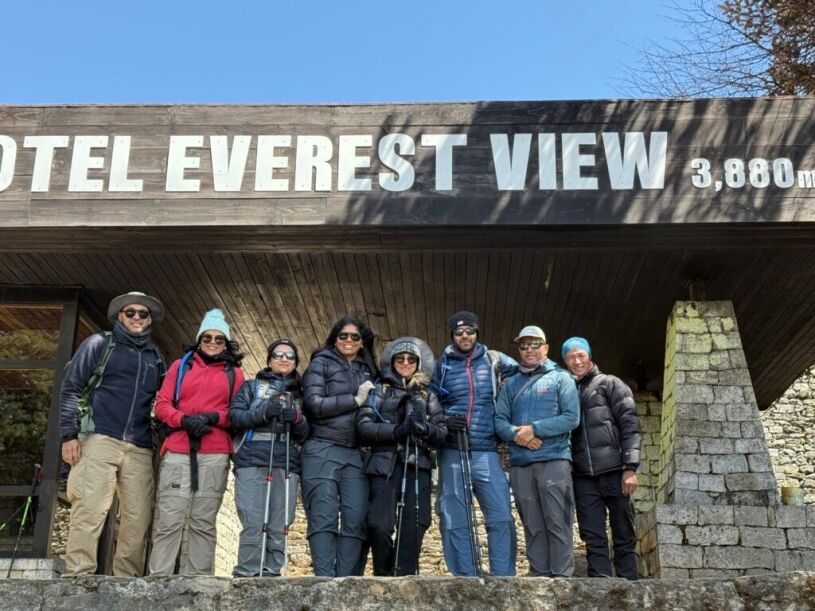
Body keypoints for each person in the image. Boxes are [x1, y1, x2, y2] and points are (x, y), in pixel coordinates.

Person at [59, 291, 166, 576]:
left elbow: (163, 401)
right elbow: (70, 389)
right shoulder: (99, 344)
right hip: (98, 438)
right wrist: (69, 435)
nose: (136, 318)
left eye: (143, 314)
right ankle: (78, 577)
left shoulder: (156, 357)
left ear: (149, 320)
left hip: (140, 446)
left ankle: (125, 582)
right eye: (130, 312)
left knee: (138, 518)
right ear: (120, 315)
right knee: (90, 509)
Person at [148, 309, 245, 576]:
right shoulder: (180, 367)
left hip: (214, 452)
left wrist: (215, 417)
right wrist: (184, 420)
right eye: (207, 338)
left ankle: (198, 582)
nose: (213, 343)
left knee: (203, 521)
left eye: (219, 339)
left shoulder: (234, 373)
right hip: (179, 449)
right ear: (199, 339)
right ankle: (159, 579)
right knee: (170, 519)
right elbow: (162, 406)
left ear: (226, 343)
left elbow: (238, 412)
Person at [430, 310, 518, 577]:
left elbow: (527, 372)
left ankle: (503, 576)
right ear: (452, 335)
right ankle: (465, 578)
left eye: (469, 330)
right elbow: (428, 402)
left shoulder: (495, 359)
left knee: (501, 514)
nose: (464, 335)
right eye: (458, 332)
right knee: (455, 516)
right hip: (452, 448)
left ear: (478, 333)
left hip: (487, 449)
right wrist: (444, 420)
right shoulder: (441, 365)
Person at [356, 337, 447, 575]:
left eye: (411, 359)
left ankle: (403, 574)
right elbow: (364, 426)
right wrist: (396, 431)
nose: (405, 362)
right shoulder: (379, 390)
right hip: (384, 465)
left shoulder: (428, 396)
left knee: (416, 523)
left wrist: (425, 429)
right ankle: (383, 575)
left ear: (418, 363)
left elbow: (441, 431)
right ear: (392, 362)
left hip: (418, 464)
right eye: (400, 358)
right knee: (379, 523)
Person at [494, 325, 580, 577]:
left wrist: (534, 429)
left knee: (558, 522)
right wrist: (521, 437)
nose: (529, 350)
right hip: (521, 462)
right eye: (523, 345)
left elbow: (571, 418)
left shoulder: (561, 378)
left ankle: (562, 579)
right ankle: (539, 580)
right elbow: (499, 421)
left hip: (554, 460)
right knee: (532, 525)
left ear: (546, 348)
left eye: (534, 344)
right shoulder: (510, 384)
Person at [301, 315, 379, 577]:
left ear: (362, 342)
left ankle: (345, 584)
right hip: (321, 447)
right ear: (334, 338)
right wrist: (355, 400)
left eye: (354, 337)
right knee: (323, 518)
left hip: (356, 453)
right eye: (343, 336)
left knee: (356, 520)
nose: (348, 340)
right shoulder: (320, 363)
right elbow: (313, 405)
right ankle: (325, 582)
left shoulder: (368, 369)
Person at [561, 336, 641, 580]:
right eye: (571, 357)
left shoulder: (610, 384)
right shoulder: (565, 391)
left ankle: (629, 583)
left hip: (615, 470)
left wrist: (630, 468)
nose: (576, 361)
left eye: (580, 356)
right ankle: (601, 586)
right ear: (565, 362)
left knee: (623, 530)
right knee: (592, 534)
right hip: (583, 476)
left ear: (589, 357)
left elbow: (630, 426)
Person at [229, 339, 310, 577]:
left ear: (295, 362)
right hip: (252, 461)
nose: (284, 358)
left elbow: (306, 433)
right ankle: (247, 572)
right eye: (278, 354)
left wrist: (296, 419)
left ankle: (272, 572)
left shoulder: (303, 395)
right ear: (269, 360)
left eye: (289, 355)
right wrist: (264, 412)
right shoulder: (251, 387)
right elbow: (235, 418)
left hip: (286, 463)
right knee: (253, 520)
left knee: (280, 522)